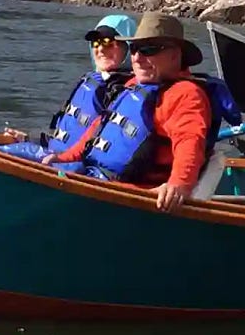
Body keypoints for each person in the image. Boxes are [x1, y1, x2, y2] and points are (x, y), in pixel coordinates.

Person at [42, 12, 229, 213]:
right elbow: (97, 130)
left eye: (148, 49)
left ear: (176, 55)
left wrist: (179, 185)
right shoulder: (134, 85)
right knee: (29, 158)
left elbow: (189, 142)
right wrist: (64, 158)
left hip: (127, 195)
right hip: (91, 176)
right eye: (134, 49)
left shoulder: (186, 95)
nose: (138, 58)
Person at [0, 13, 138, 162]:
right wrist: (28, 138)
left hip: (73, 167)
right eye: (96, 42)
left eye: (108, 42)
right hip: (56, 156)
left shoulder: (125, 93)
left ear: (128, 47)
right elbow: (66, 133)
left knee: (1, 154)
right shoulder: (92, 81)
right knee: (3, 148)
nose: (100, 49)